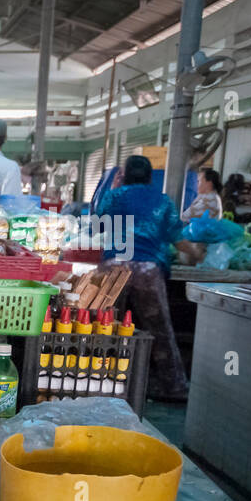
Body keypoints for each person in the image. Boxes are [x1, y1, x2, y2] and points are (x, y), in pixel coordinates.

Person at [94, 155, 188, 401]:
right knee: (159, 330)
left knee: (104, 327)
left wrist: (113, 188)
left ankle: (97, 383)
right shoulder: (163, 201)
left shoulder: (115, 195)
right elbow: (177, 238)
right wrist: (197, 252)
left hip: (114, 267)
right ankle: (174, 388)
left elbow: (98, 222)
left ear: (123, 175)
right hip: (147, 269)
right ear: (149, 175)